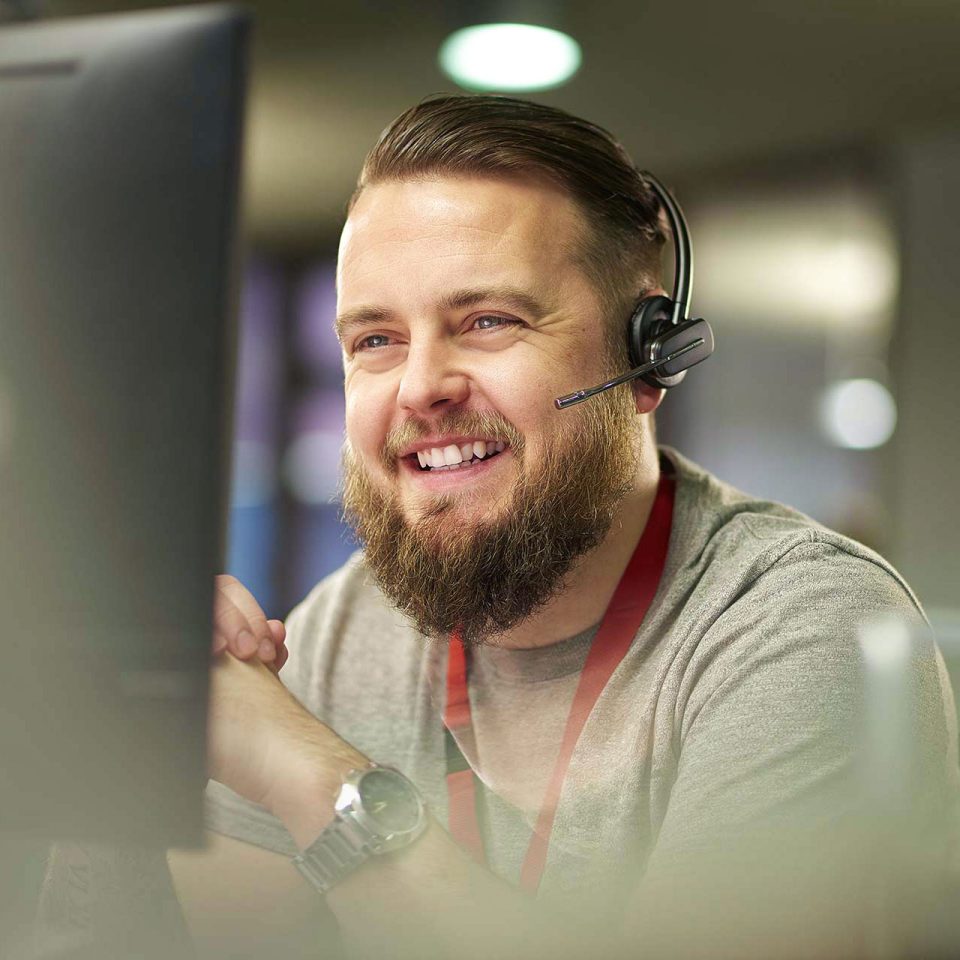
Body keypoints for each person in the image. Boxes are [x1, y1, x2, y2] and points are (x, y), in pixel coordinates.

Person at [36, 95, 958, 960]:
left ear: (648, 359)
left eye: (486, 321)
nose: (421, 386)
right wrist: (123, 723)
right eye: (375, 340)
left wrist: (310, 775)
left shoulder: (806, 627)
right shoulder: (344, 626)